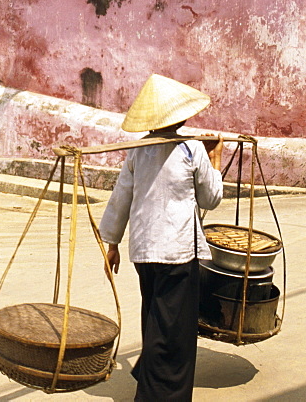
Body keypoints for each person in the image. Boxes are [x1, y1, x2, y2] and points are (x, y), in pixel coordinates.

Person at [99, 74, 223, 401]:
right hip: (178, 253)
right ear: (180, 118)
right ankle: (157, 394)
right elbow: (211, 199)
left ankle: (146, 375)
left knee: (156, 319)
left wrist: (112, 243)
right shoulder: (192, 149)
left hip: (144, 253)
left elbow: (120, 198)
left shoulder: (138, 150)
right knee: (174, 332)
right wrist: (217, 157)